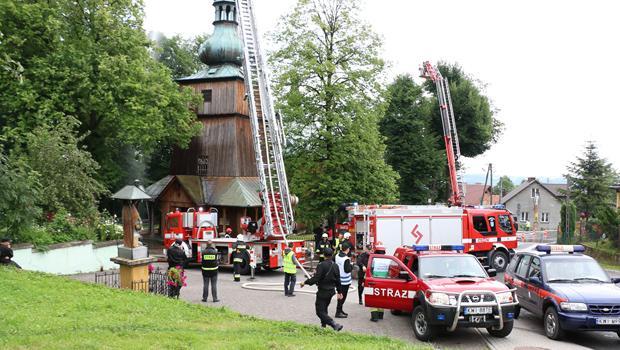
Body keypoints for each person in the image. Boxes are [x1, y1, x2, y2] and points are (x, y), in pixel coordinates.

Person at [300, 248, 344, 331]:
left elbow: (316, 278)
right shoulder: (335, 266)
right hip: (331, 292)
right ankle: (323, 326)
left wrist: (305, 282)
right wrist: (339, 292)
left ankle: (334, 324)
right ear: (332, 255)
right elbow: (338, 280)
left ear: (324, 255)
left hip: (323, 291)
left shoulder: (321, 265)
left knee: (319, 311)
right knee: (324, 309)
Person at [369, 244, 387, 322]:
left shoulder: (374, 259)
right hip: (384, 281)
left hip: (375, 281)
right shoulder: (387, 260)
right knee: (381, 298)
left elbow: (370, 269)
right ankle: (380, 315)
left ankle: (374, 317)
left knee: (373, 298)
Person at [334, 244, 353, 318]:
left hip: (338, 279)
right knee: (343, 297)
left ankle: (340, 310)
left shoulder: (337, 255)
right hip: (345, 281)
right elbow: (347, 270)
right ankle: (338, 312)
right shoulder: (346, 259)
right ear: (347, 249)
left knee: (340, 295)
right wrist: (352, 265)